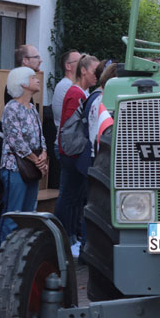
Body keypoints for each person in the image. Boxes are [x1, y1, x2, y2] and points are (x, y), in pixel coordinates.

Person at [0, 67, 46, 243]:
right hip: (15, 168)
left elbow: (40, 135)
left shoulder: (32, 108)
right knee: (13, 213)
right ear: (23, 83)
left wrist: (43, 153)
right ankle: (5, 252)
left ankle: (22, 251)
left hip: (31, 167)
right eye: (33, 77)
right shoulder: (11, 108)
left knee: (28, 214)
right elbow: (15, 140)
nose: (37, 80)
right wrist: (37, 160)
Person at [56, 55, 99, 242]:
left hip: (72, 151)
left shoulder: (82, 93)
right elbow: (69, 127)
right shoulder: (76, 94)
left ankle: (70, 236)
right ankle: (66, 237)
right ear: (83, 70)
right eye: (95, 71)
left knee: (74, 196)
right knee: (70, 197)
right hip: (72, 153)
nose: (97, 75)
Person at [51, 49, 80, 155]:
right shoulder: (67, 86)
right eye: (79, 61)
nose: (83, 64)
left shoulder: (73, 85)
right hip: (68, 145)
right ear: (68, 66)